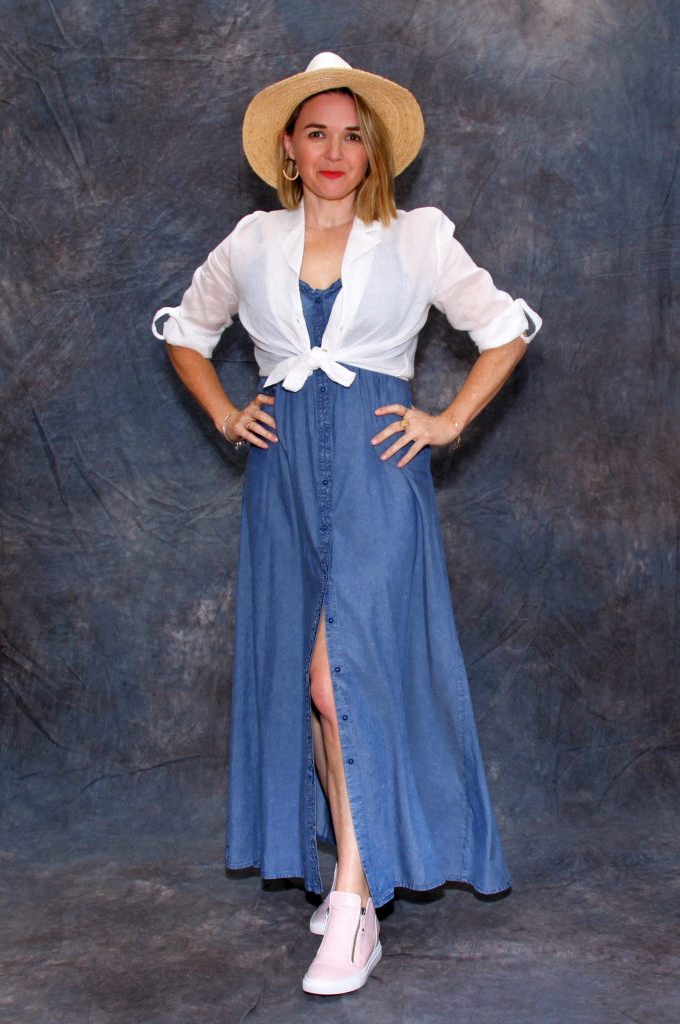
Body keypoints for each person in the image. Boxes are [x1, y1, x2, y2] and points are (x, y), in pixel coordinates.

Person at [152, 51, 541, 997]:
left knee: (340, 680)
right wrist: (224, 414)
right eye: (317, 134)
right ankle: (350, 879)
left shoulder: (417, 236)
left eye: (353, 137)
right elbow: (185, 332)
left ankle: (356, 907)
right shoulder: (251, 241)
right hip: (282, 479)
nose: (334, 151)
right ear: (287, 149)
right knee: (318, 686)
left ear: (374, 154)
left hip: (377, 474)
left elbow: (505, 329)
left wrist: (445, 421)